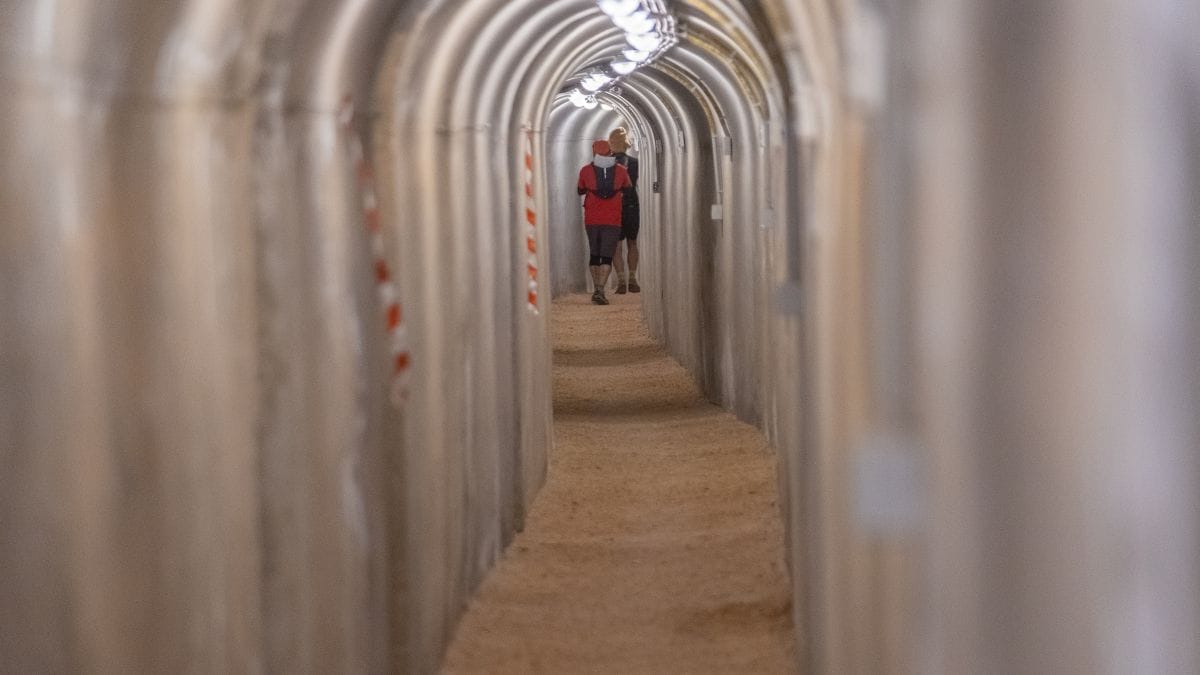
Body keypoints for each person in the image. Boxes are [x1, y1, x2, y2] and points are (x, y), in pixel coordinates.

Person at [577, 139, 632, 305]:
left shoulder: (585, 170)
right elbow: (628, 188)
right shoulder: (621, 171)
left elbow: (580, 190)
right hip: (612, 219)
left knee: (594, 254)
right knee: (607, 255)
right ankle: (601, 289)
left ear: (594, 152)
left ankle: (597, 288)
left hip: (592, 219)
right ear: (610, 152)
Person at [608, 127, 640, 294]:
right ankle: (633, 278)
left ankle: (621, 280)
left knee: (616, 245)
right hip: (632, 204)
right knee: (632, 242)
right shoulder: (634, 163)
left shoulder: (606, 163)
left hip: (614, 206)